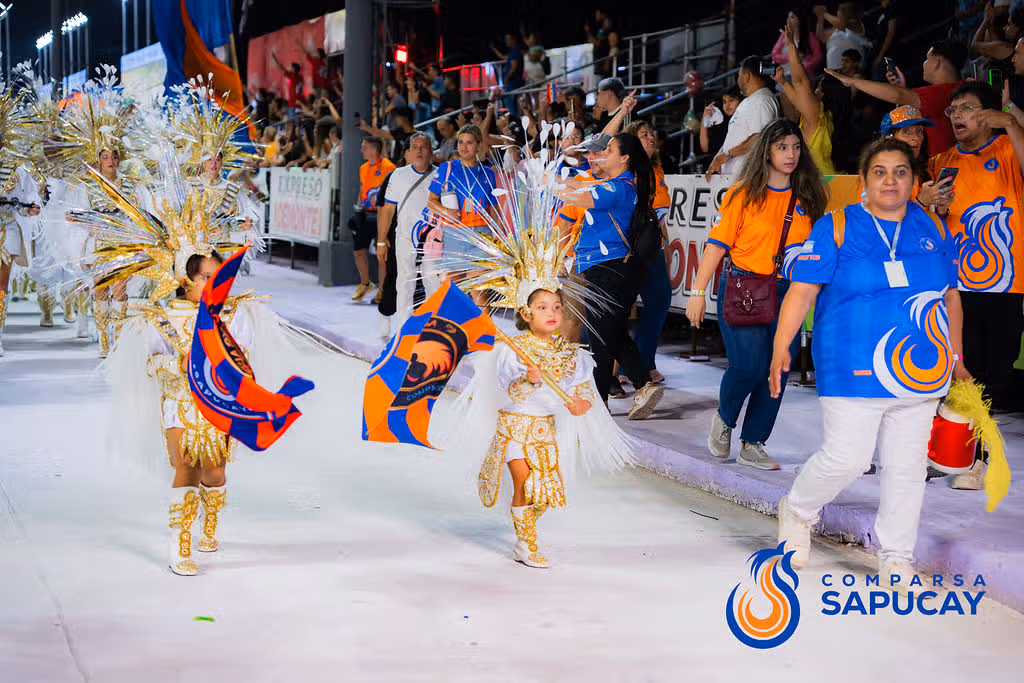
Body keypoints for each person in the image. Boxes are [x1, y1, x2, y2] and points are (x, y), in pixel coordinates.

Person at [771, 137, 968, 582]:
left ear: (915, 181)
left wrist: (957, 356)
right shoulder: (836, 226)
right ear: (863, 181)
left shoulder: (933, 228)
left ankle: (897, 555)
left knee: (907, 466)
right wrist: (782, 344)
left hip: (924, 366)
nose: (890, 181)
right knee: (847, 457)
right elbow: (803, 289)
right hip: (850, 362)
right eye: (879, 172)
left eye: (900, 172)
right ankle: (798, 510)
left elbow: (950, 296)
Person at [687, 119, 827, 470]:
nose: (791, 154)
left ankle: (754, 443)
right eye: (782, 147)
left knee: (777, 369)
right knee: (748, 367)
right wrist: (697, 292)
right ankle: (725, 418)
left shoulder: (809, 197)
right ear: (766, 151)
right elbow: (716, 247)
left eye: (796, 147)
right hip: (744, 287)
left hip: (788, 293)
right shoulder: (743, 194)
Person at [927, 81, 1024, 486]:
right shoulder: (941, 161)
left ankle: (962, 454)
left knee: (995, 374)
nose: (957, 116)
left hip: (1005, 286)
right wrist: (926, 200)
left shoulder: (1006, 149)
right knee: (961, 375)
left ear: (987, 114)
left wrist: (1012, 122)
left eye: (966, 108)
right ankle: (969, 459)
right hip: (956, 288)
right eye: (953, 110)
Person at [557, 133, 664, 418]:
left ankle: (598, 402)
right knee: (609, 331)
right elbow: (580, 185)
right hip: (605, 266)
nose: (603, 153)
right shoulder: (617, 184)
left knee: (600, 337)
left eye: (610, 149)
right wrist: (558, 178)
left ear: (624, 158)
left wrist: (549, 185)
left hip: (609, 266)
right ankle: (642, 385)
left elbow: (579, 196)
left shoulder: (621, 188)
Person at [826, 38, 968, 156]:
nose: (924, 64)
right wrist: (903, 91)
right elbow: (904, 98)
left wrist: (853, 81)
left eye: (927, 59)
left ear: (937, 63)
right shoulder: (961, 89)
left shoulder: (940, 93)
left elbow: (897, 95)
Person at [425, 125, 499, 299]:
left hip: (481, 236)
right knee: (453, 293)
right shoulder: (447, 168)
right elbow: (431, 202)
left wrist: (498, 238)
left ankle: (481, 327)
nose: (464, 147)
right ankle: (455, 326)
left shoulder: (488, 173)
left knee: (479, 292)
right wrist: (446, 211)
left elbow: (492, 209)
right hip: (454, 235)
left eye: (470, 143)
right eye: (461, 142)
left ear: (479, 145)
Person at [377, 134, 437, 334]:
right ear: (409, 152)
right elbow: (387, 210)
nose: (419, 151)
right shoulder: (398, 175)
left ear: (431, 151)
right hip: (404, 238)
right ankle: (403, 330)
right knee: (404, 283)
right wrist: (381, 240)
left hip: (432, 241)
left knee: (432, 283)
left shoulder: (440, 175)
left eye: (424, 147)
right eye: (415, 147)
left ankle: (431, 329)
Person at [774, 24, 852, 174]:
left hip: (820, 183)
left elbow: (800, 82)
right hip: (829, 179)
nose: (814, 90)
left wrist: (791, 46)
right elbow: (798, 100)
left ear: (823, 93)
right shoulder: (826, 116)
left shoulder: (816, 113)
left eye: (818, 87)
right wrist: (782, 81)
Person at [0, 100, 43, 356]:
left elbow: (20, 203)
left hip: (6, 230)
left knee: (1, 286)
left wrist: (29, 209)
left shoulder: (14, 171)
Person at [705, 56, 781, 179]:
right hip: (738, 179)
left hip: (749, 180)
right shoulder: (752, 100)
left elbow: (759, 139)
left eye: (739, 76)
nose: (738, 80)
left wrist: (727, 154)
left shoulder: (761, 100)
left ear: (747, 76)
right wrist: (719, 156)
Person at [351, 137, 397, 302]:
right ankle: (365, 283)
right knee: (358, 249)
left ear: (372, 149)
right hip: (365, 214)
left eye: (364, 147)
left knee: (382, 255)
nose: (361, 150)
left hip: (382, 215)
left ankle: (383, 290)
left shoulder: (388, 167)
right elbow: (362, 189)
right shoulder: (363, 168)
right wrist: (357, 207)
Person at [815, 2, 872, 70]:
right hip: (833, 70)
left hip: (852, 73)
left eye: (840, 11)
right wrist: (820, 19)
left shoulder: (857, 27)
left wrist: (824, 13)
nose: (837, 12)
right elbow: (821, 37)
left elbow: (842, 25)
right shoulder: (836, 29)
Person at [772, 9, 824, 78]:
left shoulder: (809, 36)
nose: (788, 20)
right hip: (784, 74)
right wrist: (791, 58)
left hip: (803, 74)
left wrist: (806, 65)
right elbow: (774, 55)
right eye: (788, 17)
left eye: (792, 17)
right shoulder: (783, 35)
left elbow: (818, 56)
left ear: (799, 20)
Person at [699, 87, 742, 155]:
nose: (727, 105)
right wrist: (705, 118)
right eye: (724, 102)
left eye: (731, 100)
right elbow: (705, 148)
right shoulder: (720, 123)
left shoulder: (744, 118)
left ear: (741, 100)